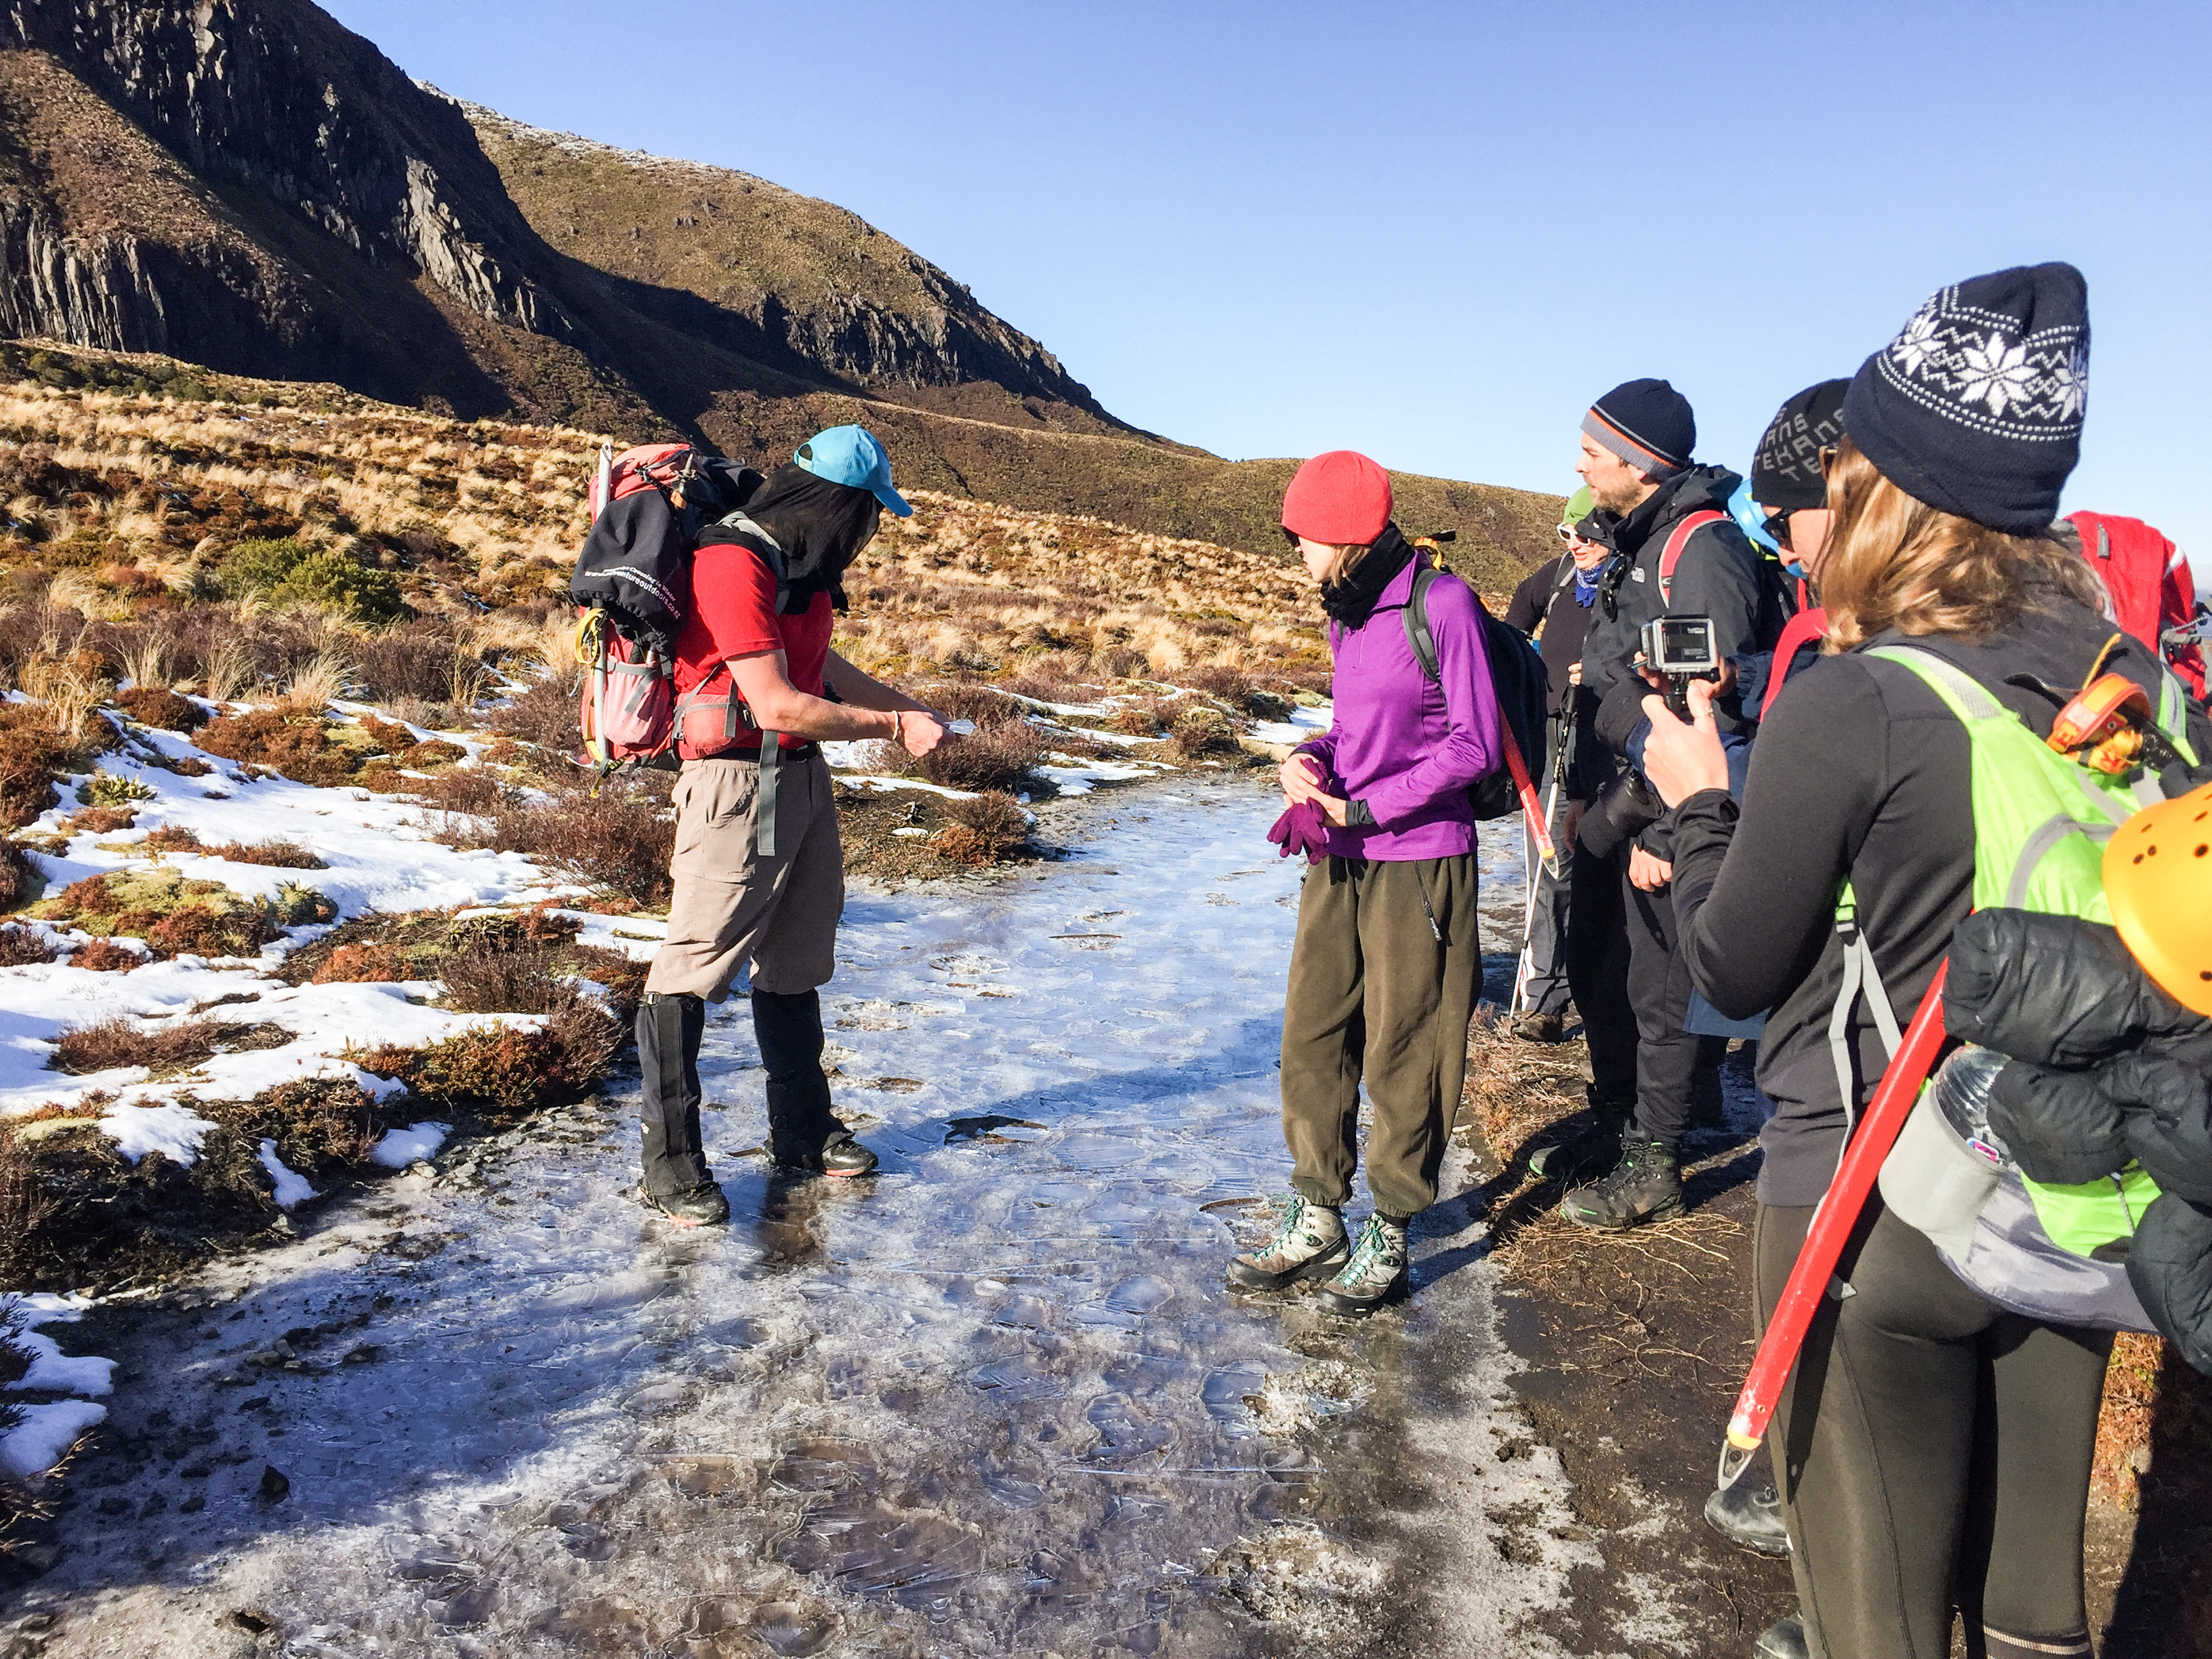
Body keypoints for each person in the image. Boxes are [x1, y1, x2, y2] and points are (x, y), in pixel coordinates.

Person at [1638, 263, 2212, 1659]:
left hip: (1870, 1189)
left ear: (1888, 480)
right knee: (2030, 1602)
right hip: (2066, 1187)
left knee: (1873, 1609)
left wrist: (1699, 795)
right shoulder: (2142, 688)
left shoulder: (1862, 698)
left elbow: (1738, 962)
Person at [634, 426, 955, 1226]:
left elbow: (818, 674)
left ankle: (803, 1133)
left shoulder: (798, 568)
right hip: (735, 786)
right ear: (836, 507)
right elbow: (774, 702)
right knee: (691, 967)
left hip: (798, 781)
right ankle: (671, 1165)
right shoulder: (731, 562)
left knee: (797, 956)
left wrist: (904, 704)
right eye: (868, 515)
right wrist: (890, 731)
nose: (869, 533)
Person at [1231, 449, 1502, 1315]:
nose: (1295, 551)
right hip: (1340, 854)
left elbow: (1475, 746)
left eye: (1302, 535)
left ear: (1344, 534)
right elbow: (1358, 728)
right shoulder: (1346, 610)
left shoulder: (1442, 602)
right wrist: (1312, 757)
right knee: (1314, 1031)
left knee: (1406, 1048)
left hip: (1419, 859)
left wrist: (1370, 808)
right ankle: (1318, 1212)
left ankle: (1391, 1221)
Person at [1553, 380, 1784, 1227]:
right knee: (1601, 970)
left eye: (1592, 448)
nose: (1578, 460)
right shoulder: (1642, 544)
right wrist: (1590, 796)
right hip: (1619, 801)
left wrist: (1669, 826)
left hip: (1661, 811)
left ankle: (1656, 1162)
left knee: (1658, 993)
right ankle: (1616, 1127)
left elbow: (1709, 706)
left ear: (1641, 464)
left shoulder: (1704, 550)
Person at [1502, 485, 1611, 1043]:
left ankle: (1603, 1000)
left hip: (1612, 741)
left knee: (1601, 866)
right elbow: (1513, 625)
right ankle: (1545, 997)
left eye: (1591, 534)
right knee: (1550, 865)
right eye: (1570, 534)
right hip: (1551, 737)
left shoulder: (1632, 584)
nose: (1579, 545)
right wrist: (1523, 670)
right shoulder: (1561, 574)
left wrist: (1605, 670)